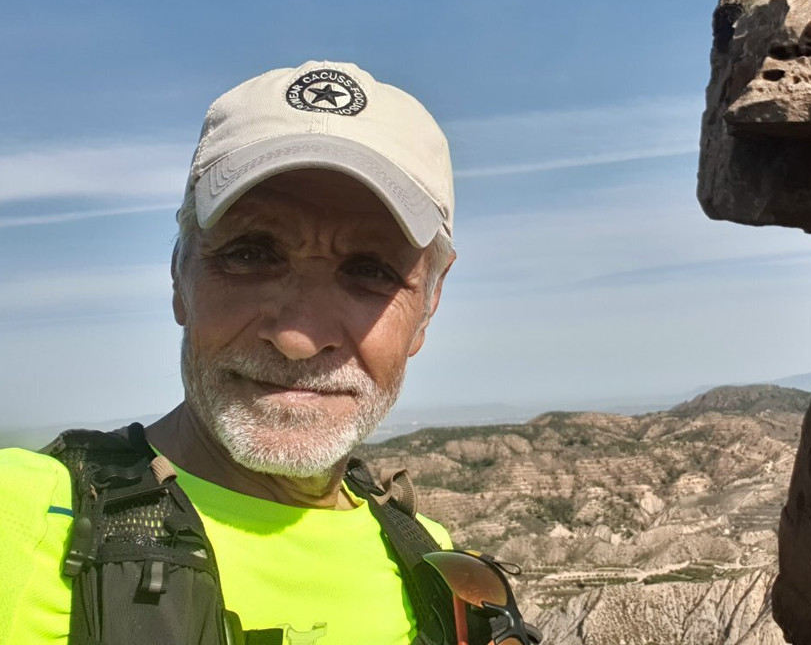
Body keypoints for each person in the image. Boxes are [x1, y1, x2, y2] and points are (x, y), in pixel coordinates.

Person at [0, 61, 473, 645]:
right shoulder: (26, 522)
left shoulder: (438, 568)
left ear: (429, 303)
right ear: (180, 275)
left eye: (370, 270)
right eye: (251, 254)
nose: (299, 337)